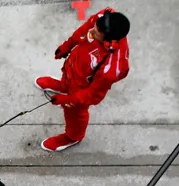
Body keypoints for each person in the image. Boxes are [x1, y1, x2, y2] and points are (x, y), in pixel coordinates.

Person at [37, 8, 131, 152]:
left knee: (75, 113)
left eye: (96, 32)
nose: (92, 31)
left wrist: (68, 99)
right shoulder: (104, 18)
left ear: (108, 40)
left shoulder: (112, 68)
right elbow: (85, 28)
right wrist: (68, 45)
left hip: (82, 89)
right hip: (74, 67)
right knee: (67, 76)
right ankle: (63, 85)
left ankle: (73, 137)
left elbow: (92, 95)